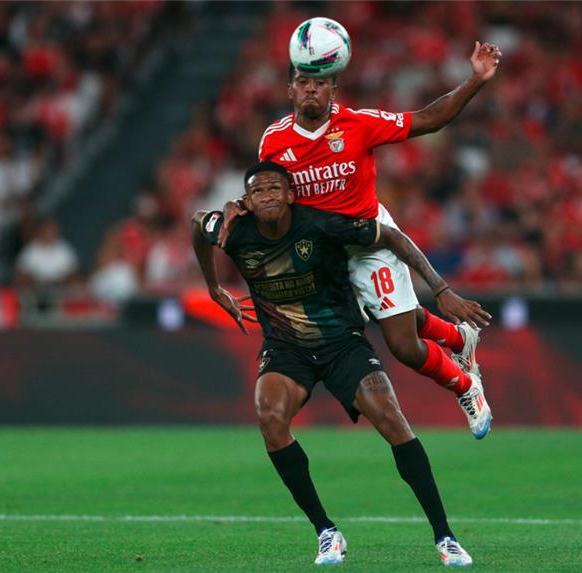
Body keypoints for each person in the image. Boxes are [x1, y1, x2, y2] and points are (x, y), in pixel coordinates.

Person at [192, 162, 491, 566]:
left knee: (391, 418)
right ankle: (326, 531)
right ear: (246, 200)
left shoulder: (320, 224)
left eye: (275, 189)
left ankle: (445, 536)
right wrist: (214, 288)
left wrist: (440, 289)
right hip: (286, 348)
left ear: (291, 195)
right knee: (269, 416)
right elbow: (198, 223)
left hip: (342, 344)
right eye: (257, 191)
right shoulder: (234, 230)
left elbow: (392, 237)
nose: (267, 196)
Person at [218, 38, 502, 438]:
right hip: (321, 255)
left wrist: (475, 80)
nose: (311, 89)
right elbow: (268, 193)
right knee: (393, 315)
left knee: (402, 345)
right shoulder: (274, 141)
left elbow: (429, 119)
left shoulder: (359, 124)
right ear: (290, 89)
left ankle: (465, 385)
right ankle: (459, 338)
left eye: (321, 82)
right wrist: (239, 205)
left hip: (370, 243)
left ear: (333, 89)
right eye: (303, 82)